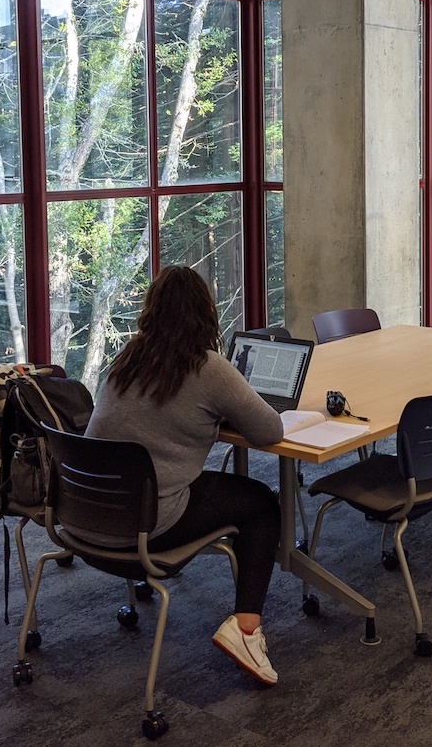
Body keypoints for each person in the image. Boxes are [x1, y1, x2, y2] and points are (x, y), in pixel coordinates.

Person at [85, 265, 284, 685]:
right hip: (148, 525)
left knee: (216, 488)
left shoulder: (128, 357)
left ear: (151, 310)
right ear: (205, 314)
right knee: (262, 503)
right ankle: (246, 631)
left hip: (85, 520)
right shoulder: (207, 367)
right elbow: (271, 431)